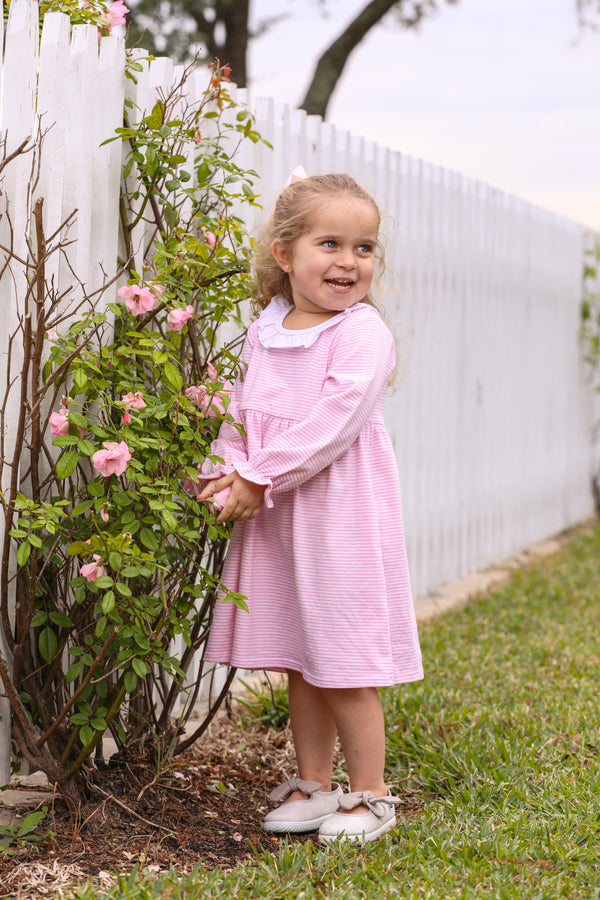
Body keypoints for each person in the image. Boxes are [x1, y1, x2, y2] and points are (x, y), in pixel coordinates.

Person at [196, 172, 423, 844]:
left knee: (346, 658)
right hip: (281, 518)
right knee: (301, 656)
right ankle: (315, 784)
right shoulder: (265, 332)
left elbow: (331, 423)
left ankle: (373, 792)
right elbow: (242, 414)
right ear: (284, 253)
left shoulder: (361, 334)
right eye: (331, 243)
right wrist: (222, 472)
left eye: (364, 248)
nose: (349, 261)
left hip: (339, 519)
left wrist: (258, 476)